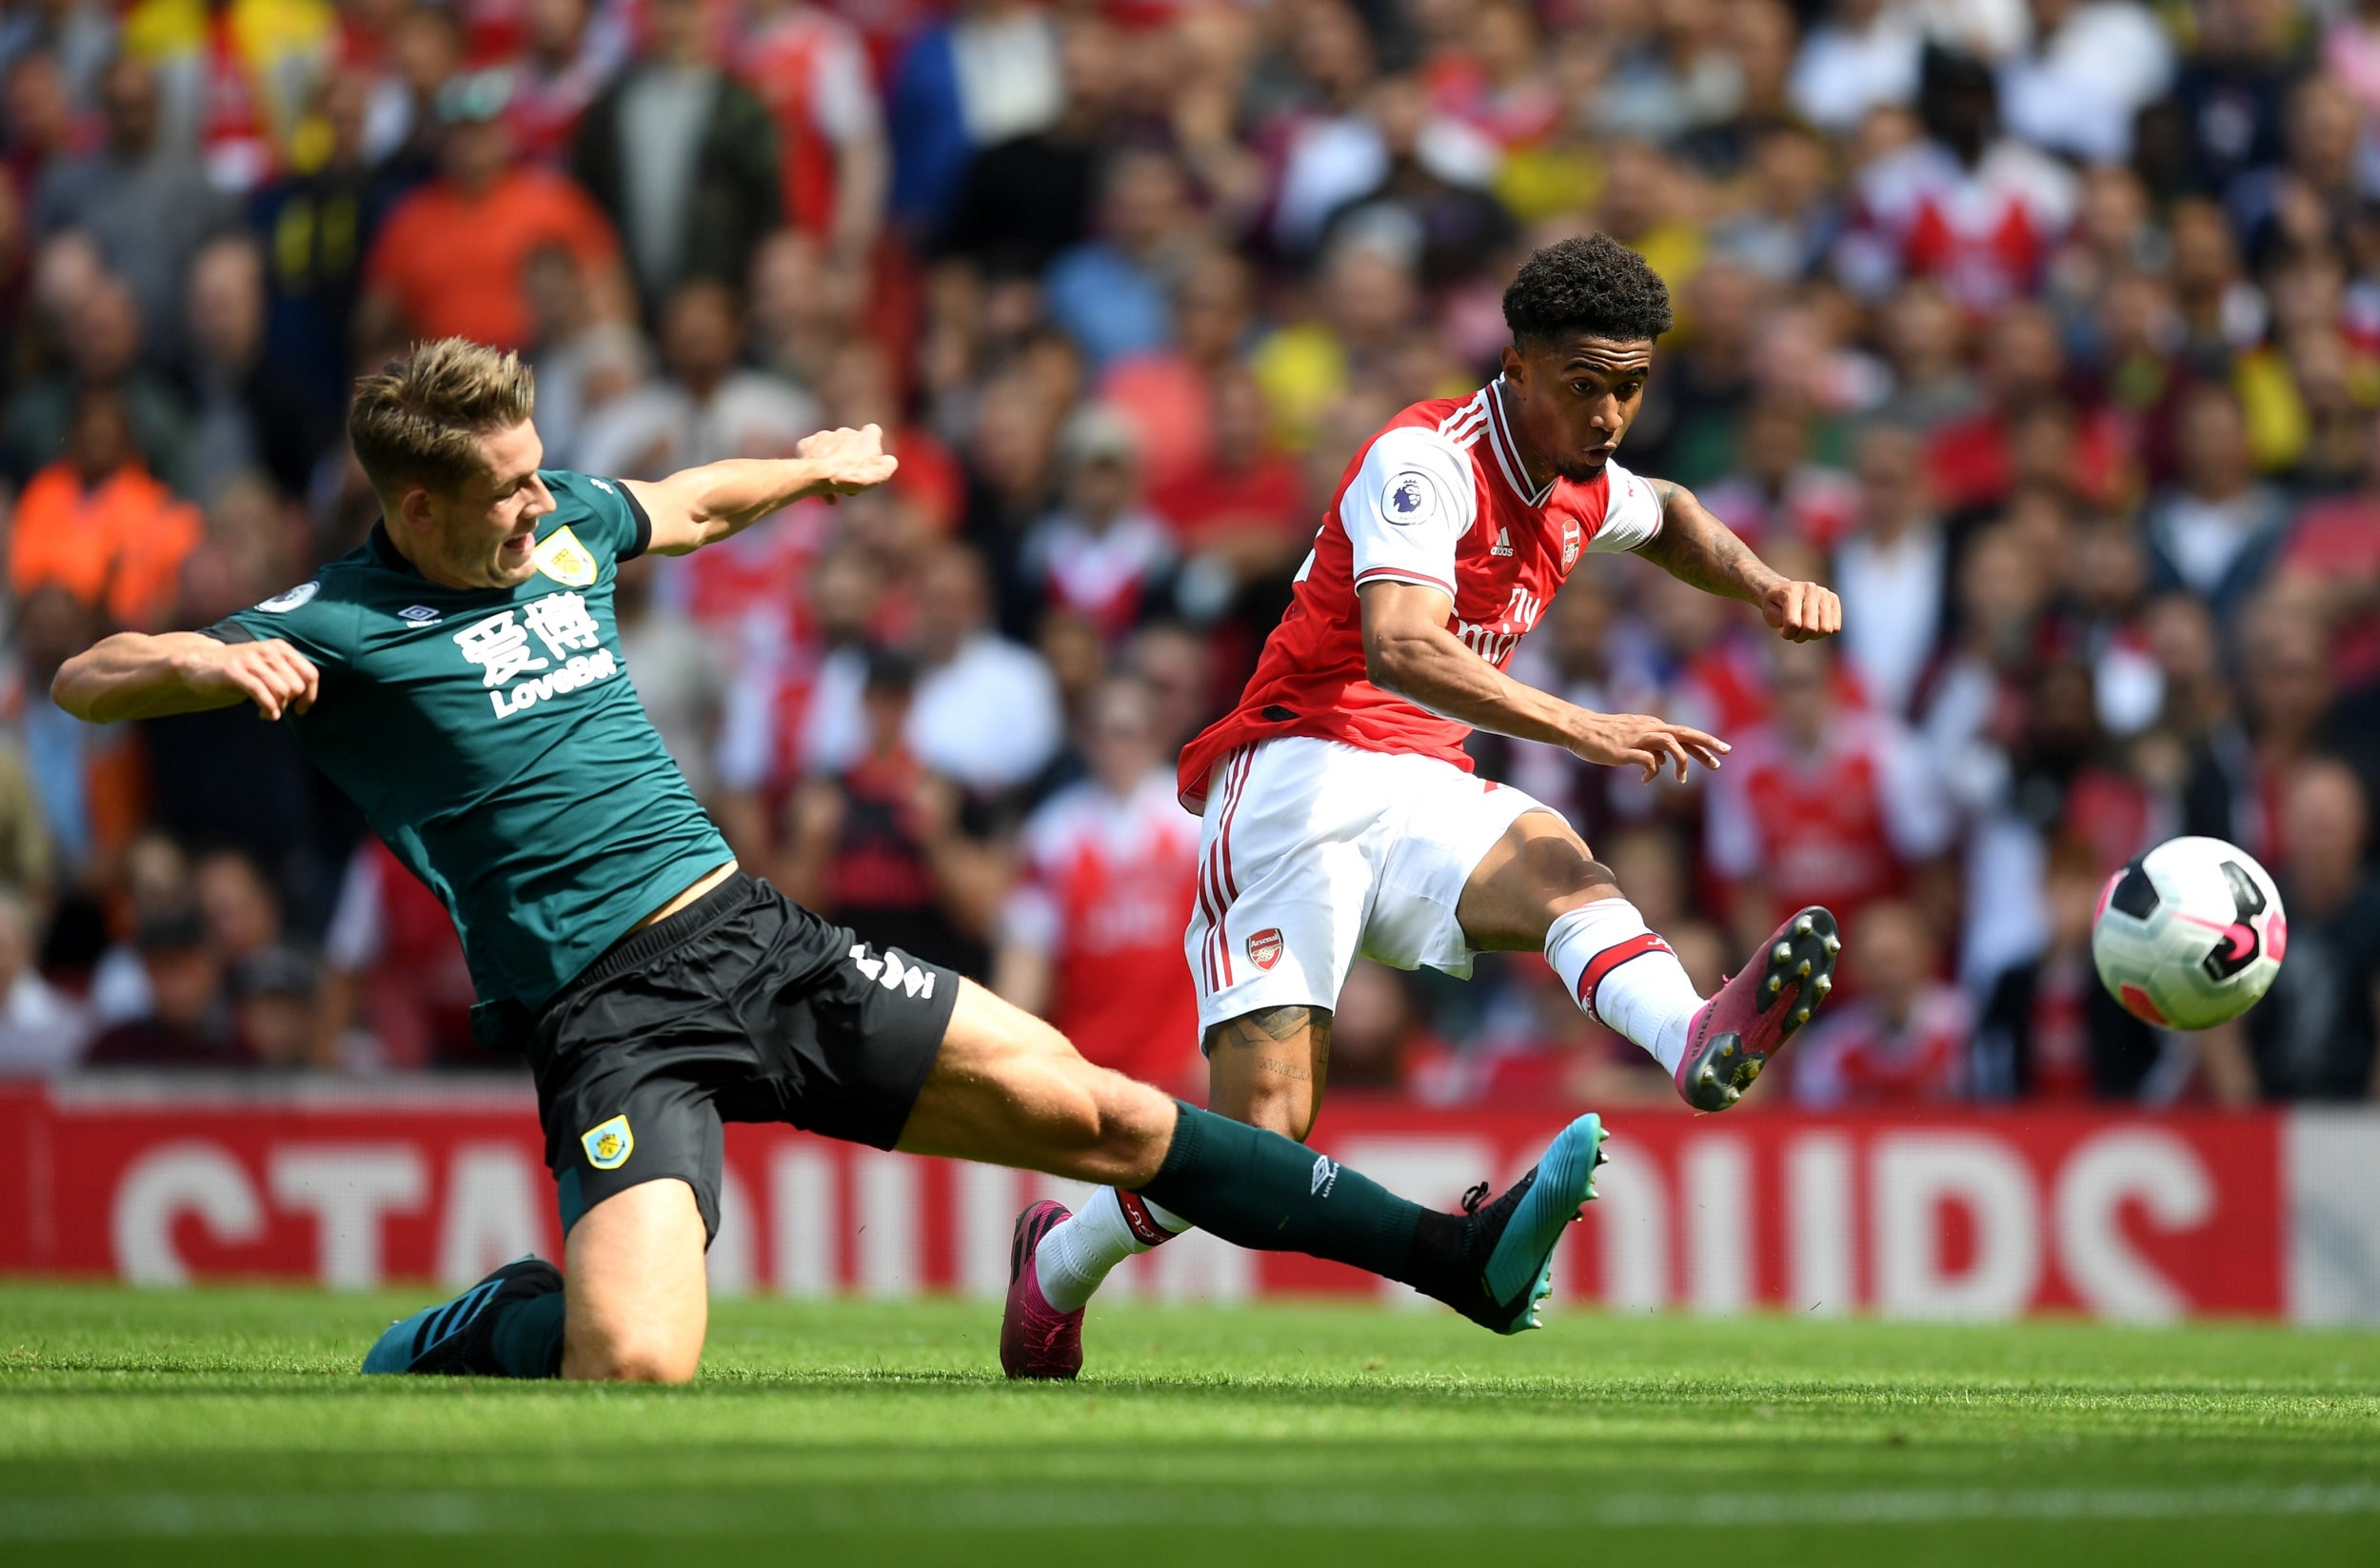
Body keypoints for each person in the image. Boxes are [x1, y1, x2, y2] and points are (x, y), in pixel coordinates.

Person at [50, 337, 1609, 1383]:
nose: (541, 503)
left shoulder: (565, 524)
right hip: (610, 1015)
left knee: (1112, 1113)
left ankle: (1453, 1255)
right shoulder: (340, 627)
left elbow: (682, 502)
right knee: (640, 1366)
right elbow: (92, 671)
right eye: (507, 490)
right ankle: (497, 1320)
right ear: (413, 506)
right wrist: (204, 666)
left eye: (539, 472)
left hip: (757, 935)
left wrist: (813, 466)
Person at [1007, 235, 1847, 1378]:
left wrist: (1764, 585)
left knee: (1560, 867)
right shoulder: (1427, 458)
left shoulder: (1582, 482)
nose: (1609, 416)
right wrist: (1584, 725)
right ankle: (1057, 1267)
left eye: (1631, 386)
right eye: (1585, 385)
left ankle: (1688, 1032)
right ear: (1516, 364)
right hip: (1297, 778)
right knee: (1261, 1143)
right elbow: (1401, 647)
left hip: (1417, 784)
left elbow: (1677, 513)